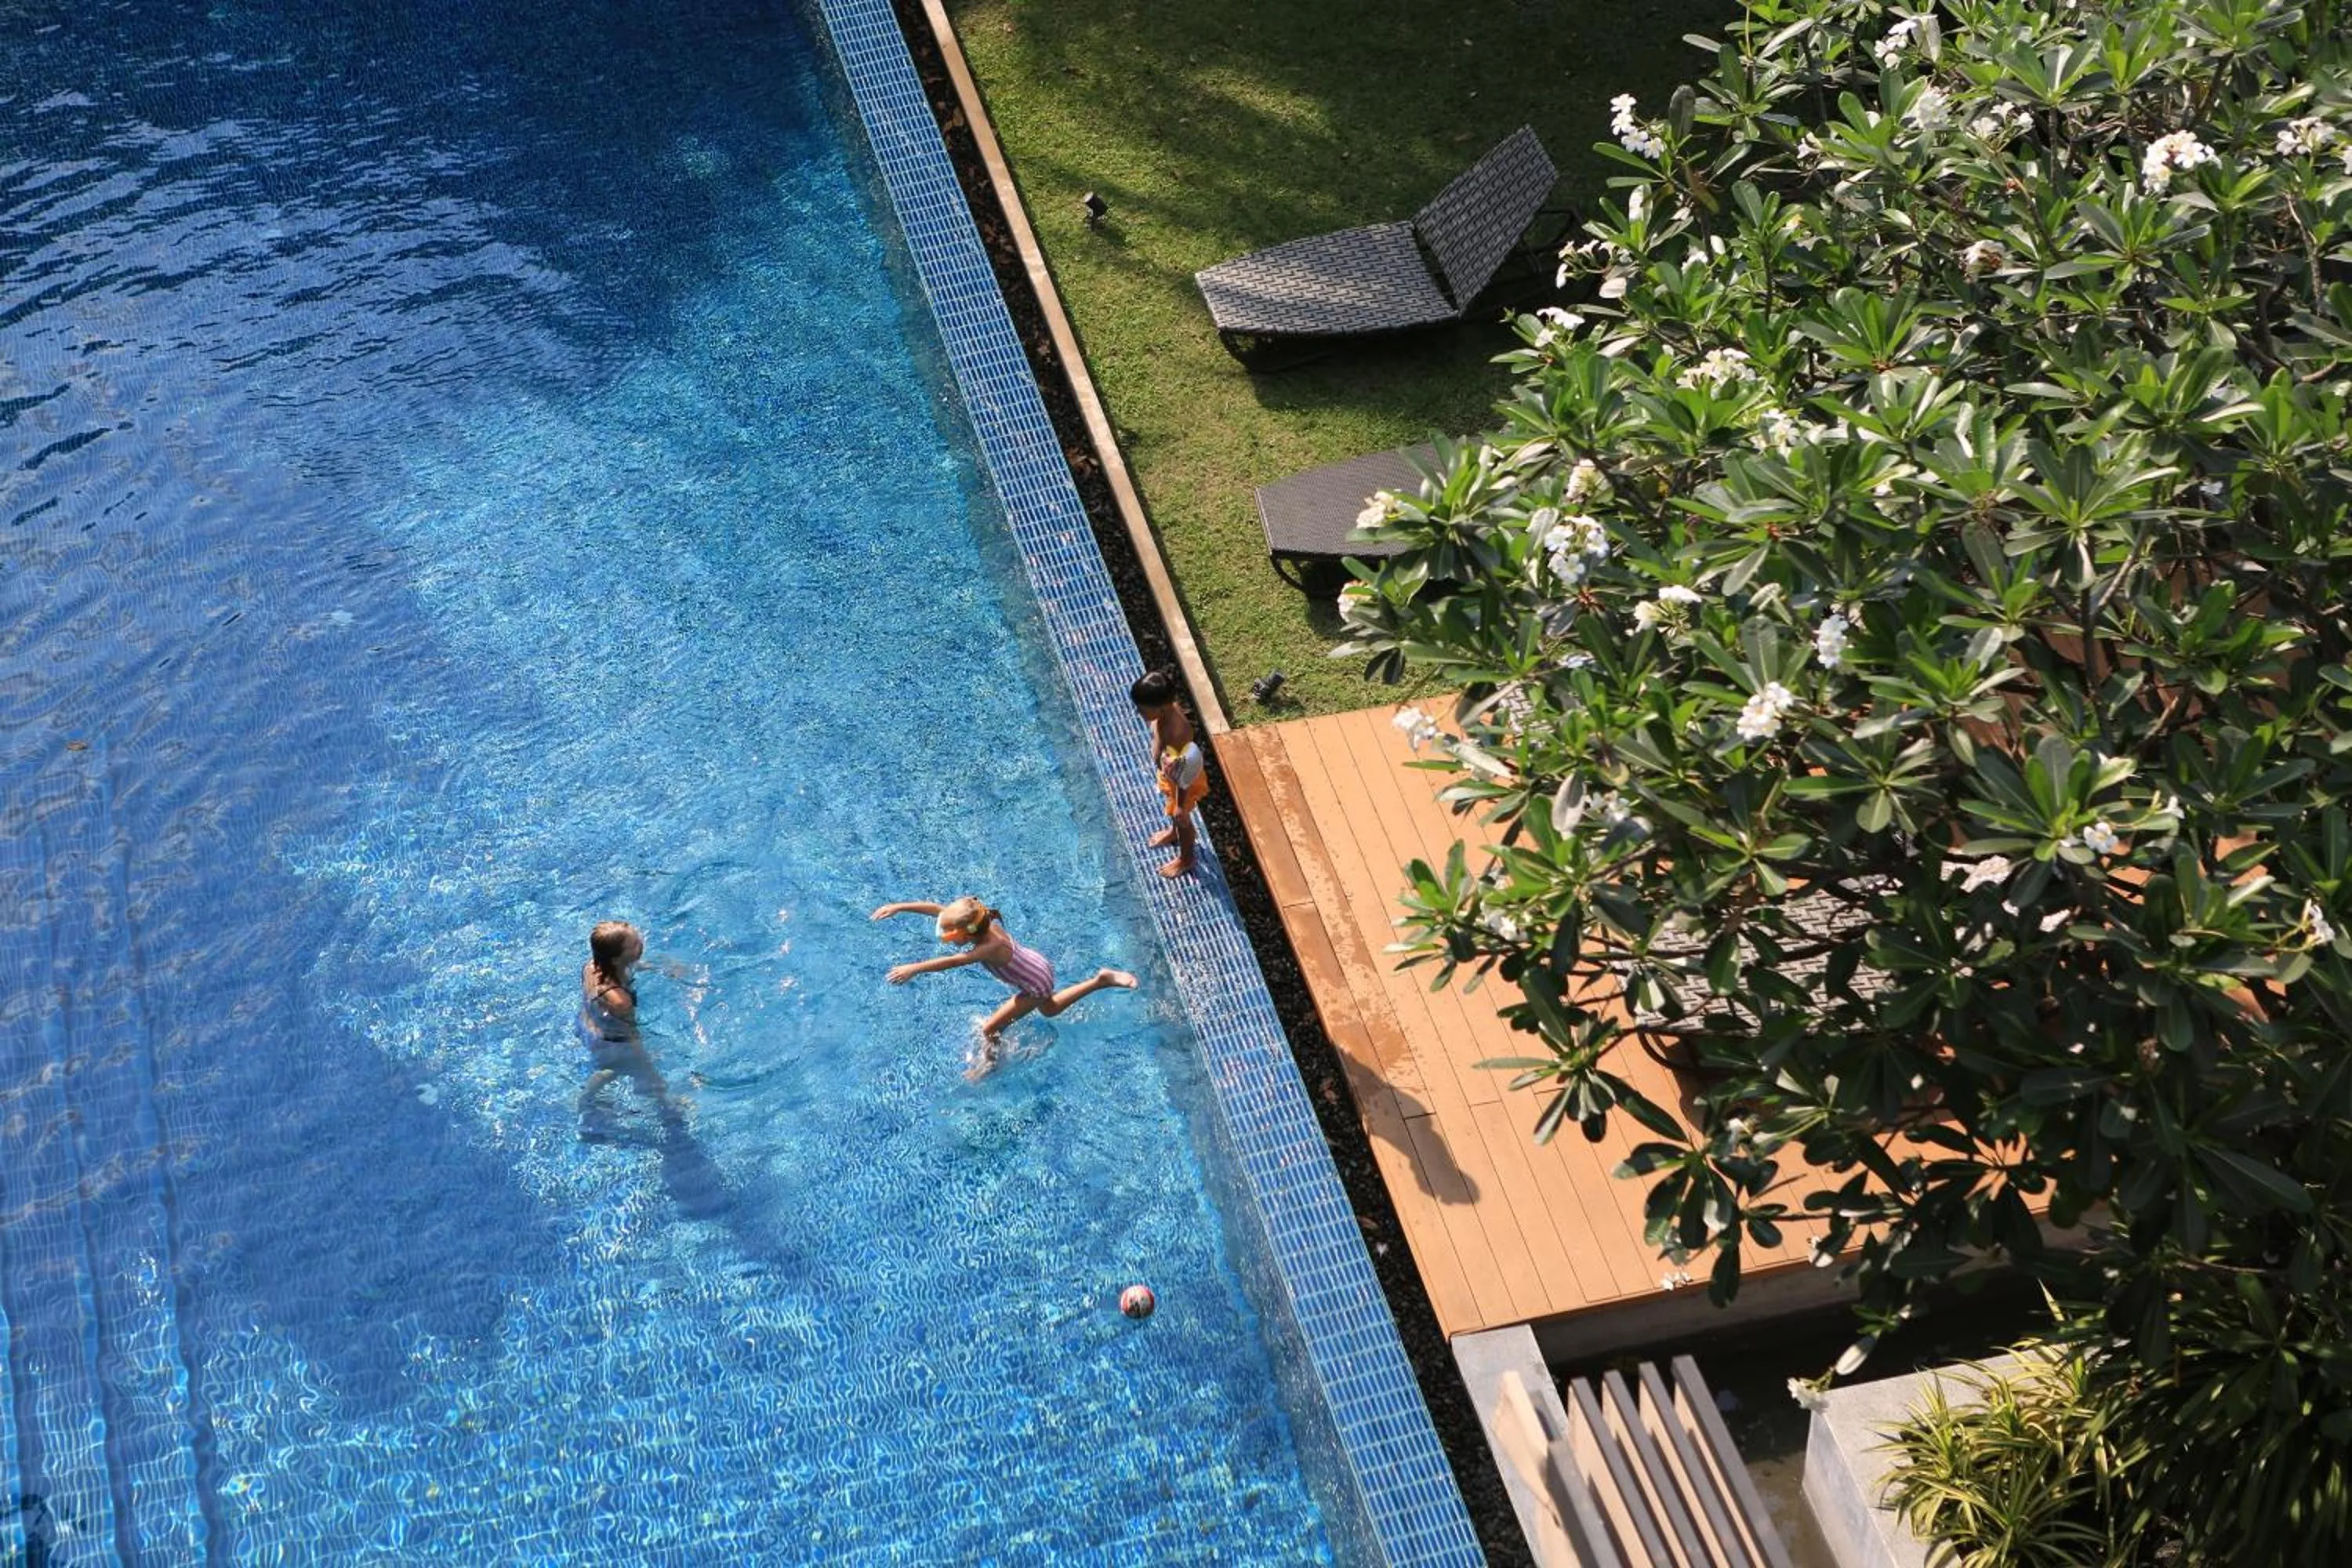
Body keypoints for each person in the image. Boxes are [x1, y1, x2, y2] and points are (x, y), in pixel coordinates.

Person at [872, 897, 1137, 1079]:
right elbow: (936, 909)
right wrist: (900, 907)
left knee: (992, 1028)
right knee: (1050, 1007)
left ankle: (989, 1065)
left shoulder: (989, 947)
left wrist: (914, 968)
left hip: (1034, 982)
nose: (945, 936)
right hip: (1036, 966)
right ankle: (1101, 980)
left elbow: (953, 961)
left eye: (949, 935)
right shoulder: (983, 925)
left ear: (966, 935)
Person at [577, 920, 672, 1115]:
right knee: (654, 1083)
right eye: (635, 945)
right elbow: (630, 1033)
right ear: (616, 959)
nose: (642, 943)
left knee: (611, 1067)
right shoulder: (620, 1002)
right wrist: (643, 1058)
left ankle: (588, 1095)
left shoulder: (591, 967)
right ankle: (670, 1109)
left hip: (588, 1026)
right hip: (614, 1043)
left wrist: (660, 968)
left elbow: (626, 966)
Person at [1131, 668, 1207, 877]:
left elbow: (1186, 774)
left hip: (1183, 782)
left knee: (1182, 819)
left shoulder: (1177, 733)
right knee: (1174, 813)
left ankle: (1186, 859)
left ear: (1162, 708)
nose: (1139, 714)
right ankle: (1174, 833)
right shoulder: (1166, 711)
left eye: (1142, 710)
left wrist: (1181, 806)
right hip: (1173, 776)